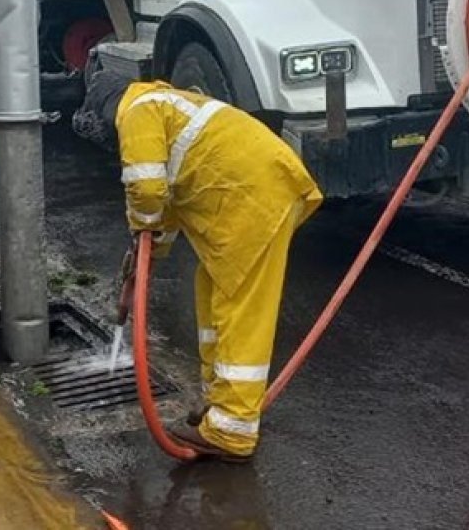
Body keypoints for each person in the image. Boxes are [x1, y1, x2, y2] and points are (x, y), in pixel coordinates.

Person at [109, 77, 323, 462]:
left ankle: (233, 430)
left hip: (255, 200)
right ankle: (219, 405)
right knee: (210, 295)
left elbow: (147, 191)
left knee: (241, 309)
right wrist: (144, 261)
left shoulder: (138, 111)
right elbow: (167, 209)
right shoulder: (165, 108)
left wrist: (140, 226)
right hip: (246, 198)